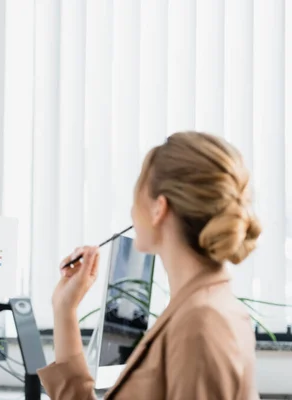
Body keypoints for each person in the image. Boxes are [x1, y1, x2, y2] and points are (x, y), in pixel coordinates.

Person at [39, 132, 261, 399]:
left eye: (137, 194)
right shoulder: (197, 310)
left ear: (159, 208)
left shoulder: (200, 325)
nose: (132, 211)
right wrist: (65, 309)